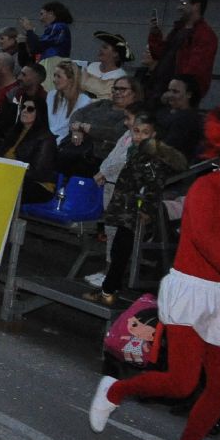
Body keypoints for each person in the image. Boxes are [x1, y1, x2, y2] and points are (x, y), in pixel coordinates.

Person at [89, 104, 220, 440]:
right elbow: (200, 238)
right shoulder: (206, 187)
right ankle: (115, 389)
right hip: (192, 289)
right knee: (182, 383)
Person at [82, 110, 186, 305]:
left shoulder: (151, 157)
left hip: (133, 213)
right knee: (117, 252)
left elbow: (154, 185)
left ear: (153, 134)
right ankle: (110, 290)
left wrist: (145, 210)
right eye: (136, 131)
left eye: (144, 132)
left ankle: (108, 291)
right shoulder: (138, 153)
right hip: (124, 210)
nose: (138, 136)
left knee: (120, 253)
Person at [147, 0, 219, 99]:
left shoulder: (205, 35)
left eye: (183, 4)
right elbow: (160, 54)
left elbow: (195, 70)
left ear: (196, 6)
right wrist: (155, 34)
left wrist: (175, 91)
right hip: (159, 90)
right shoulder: (178, 30)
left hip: (178, 96)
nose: (178, 8)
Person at [0, 92, 58, 204]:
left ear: (39, 113)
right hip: (11, 178)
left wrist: (11, 171)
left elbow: (38, 173)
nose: (24, 111)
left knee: (1, 188)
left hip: (38, 186)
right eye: (23, 107)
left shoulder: (46, 138)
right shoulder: (14, 131)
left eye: (30, 109)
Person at [156, 74, 205, 160]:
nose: (170, 95)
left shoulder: (188, 120)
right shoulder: (164, 112)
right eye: (169, 91)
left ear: (189, 94)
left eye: (175, 92)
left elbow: (167, 146)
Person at [45, 60, 91, 143]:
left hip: (65, 142)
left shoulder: (84, 101)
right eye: (54, 75)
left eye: (59, 76)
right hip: (47, 139)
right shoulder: (51, 95)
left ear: (71, 79)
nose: (54, 80)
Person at [82, 31, 131, 100]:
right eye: (101, 47)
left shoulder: (120, 76)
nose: (100, 49)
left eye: (105, 47)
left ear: (115, 54)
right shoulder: (92, 66)